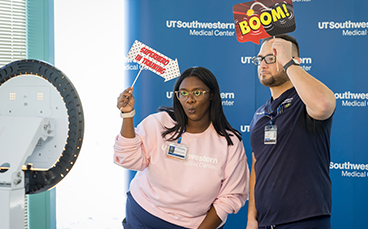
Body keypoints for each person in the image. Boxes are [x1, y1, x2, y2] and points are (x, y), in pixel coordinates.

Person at [114, 66, 249, 229]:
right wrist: (128, 115)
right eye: (183, 93)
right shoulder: (159, 123)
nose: (189, 99)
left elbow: (231, 196)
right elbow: (127, 160)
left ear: (212, 94)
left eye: (197, 93)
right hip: (143, 214)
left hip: (192, 225)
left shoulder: (230, 142)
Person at [246, 34, 336, 229]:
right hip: (265, 222)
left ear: (292, 60)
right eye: (260, 59)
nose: (263, 64)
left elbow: (324, 104)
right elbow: (257, 165)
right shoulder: (260, 114)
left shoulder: (305, 101)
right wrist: (252, 218)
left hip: (305, 220)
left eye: (272, 57)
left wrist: (288, 63)